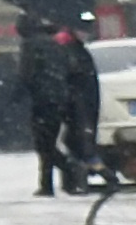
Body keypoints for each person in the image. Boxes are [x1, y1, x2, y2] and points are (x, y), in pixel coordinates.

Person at [25, 22, 99, 195]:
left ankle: (64, 174)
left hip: (53, 104)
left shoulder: (37, 48)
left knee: (47, 144)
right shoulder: (68, 51)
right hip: (65, 104)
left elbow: (28, 76)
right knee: (53, 144)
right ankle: (57, 179)